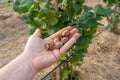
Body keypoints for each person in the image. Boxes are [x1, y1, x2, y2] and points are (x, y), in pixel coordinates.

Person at [0, 27, 80, 80]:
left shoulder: (57, 42)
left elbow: (59, 42)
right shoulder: (55, 44)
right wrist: (29, 58)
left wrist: (28, 60)